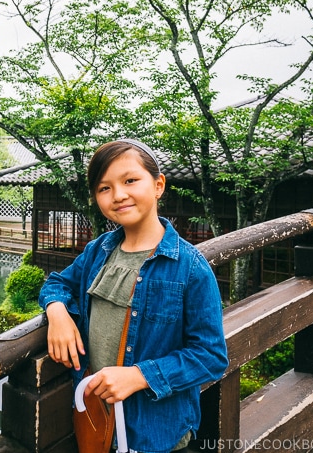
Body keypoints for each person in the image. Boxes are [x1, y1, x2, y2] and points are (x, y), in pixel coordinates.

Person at [39, 139, 228, 453]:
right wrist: (57, 311)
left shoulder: (190, 267)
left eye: (130, 181)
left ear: (157, 185)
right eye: (104, 188)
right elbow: (57, 282)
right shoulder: (99, 251)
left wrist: (141, 376)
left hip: (157, 436)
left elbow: (211, 356)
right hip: (98, 426)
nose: (119, 195)